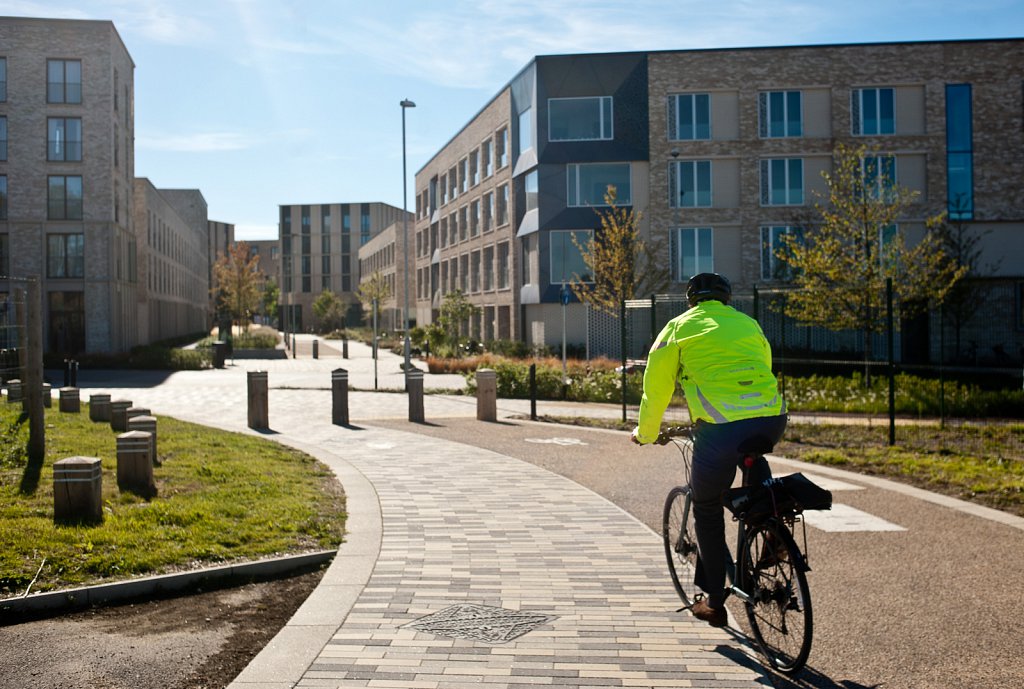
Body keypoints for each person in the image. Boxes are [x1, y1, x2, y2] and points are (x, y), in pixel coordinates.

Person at [631, 272, 787, 627]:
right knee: (753, 455)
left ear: (691, 300)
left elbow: (655, 389)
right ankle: (771, 523)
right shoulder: (749, 324)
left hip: (719, 427)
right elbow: (764, 366)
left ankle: (715, 602)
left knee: (706, 507)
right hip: (771, 417)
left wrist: (645, 433)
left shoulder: (676, 329)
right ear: (726, 298)